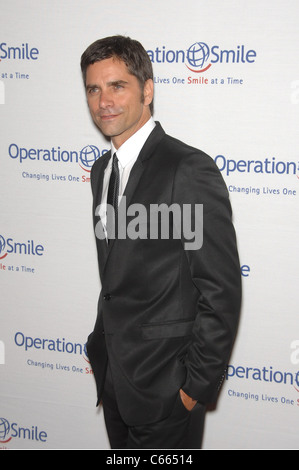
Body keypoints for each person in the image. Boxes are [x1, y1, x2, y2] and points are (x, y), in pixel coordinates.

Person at [80, 35, 241, 449]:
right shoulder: (102, 171)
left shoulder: (186, 169)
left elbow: (220, 290)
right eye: (94, 89)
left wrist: (193, 388)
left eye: (118, 86)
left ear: (147, 89)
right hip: (116, 379)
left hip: (167, 391)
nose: (104, 101)